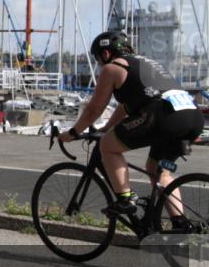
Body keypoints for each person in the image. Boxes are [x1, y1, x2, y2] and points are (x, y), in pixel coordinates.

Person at [59, 31, 203, 229]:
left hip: (163, 116)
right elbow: (125, 107)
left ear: (106, 53)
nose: (99, 64)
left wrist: (73, 133)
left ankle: (125, 199)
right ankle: (181, 224)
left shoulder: (112, 68)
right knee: (157, 171)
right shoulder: (146, 63)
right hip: (192, 117)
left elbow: (94, 109)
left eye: (98, 59)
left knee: (107, 145)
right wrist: (106, 128)